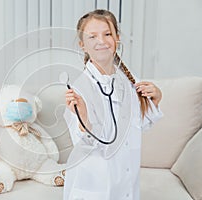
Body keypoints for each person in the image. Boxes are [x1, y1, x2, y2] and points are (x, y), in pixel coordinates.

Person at [63, 9, 163, 200]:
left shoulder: (129, 81)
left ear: (117, 38)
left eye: (107, 34)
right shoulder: (79, 88)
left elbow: (138, 126)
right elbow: (83, 145)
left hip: (126, 181)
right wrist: (84, 118)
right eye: (92, 36)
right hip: (94, 184)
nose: (101, 41)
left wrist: (156, 99)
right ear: (82, 45)